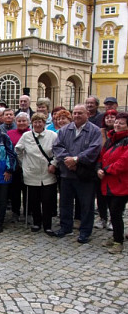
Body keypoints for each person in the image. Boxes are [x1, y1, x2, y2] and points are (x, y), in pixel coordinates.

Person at [52, 104, 102, 244]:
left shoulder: (94, 131)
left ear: (87, 114)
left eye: (80, 113)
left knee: (86, 205)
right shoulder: (64, 130)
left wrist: (77, 159)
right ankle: (65, 227)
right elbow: (57, 146)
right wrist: (68, 160)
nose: (77, 115)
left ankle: (85, 231)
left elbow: (95, 149)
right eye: (75, 113)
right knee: (65, 203)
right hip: (67, 173)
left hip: (85, 174)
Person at [15, 113, 58, 235]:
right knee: (34, 200)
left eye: (40, 122)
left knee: (47, 200)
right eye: (35, 122)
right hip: (32, 173)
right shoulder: (26, 136)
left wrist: (54, 164)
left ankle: (47, 225)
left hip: (47, 172)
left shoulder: (52, 135)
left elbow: (58, 151)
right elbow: (18, 150)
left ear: (44, 123)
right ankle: (36, 222)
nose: (38, 124)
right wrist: (24, 164)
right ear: (32, 124)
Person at [97, 112, 128, 254]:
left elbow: (123, 162)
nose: (117, 125)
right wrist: (98, 168)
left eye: (121, 123)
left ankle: (118, 242)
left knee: (116, 211)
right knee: (112, 211)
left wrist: (106, 170)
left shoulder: (126, 140)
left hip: (121, 183)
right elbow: (102, 155)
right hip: (108, 181)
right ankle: (117, 235)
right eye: (116, 122)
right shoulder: (111, 139)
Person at [94, 109, 118, 230]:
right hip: (100, 167)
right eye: (107, 117)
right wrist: (99, 168)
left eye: (112, 117)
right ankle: (102, 217)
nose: (109, 119)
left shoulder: (119, 134)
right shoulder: (100, 132)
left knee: (114, 197)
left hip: (114, 170)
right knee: (100, 195)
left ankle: (113, 220)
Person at [7, 112, 31, 222]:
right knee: (15, 190)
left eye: (24, 121)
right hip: (15, 166)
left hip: (30, 165)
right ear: (16, 122)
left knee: (28, 190)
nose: (21, 123)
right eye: (19, 121)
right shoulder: (10, 133)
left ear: (28, 122)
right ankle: (15, 212)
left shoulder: (32, 133)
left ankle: (28, 212)